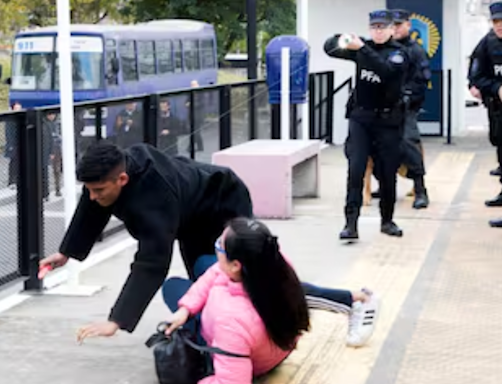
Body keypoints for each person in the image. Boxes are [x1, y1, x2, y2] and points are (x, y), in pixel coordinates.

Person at [39, 142, 379, 346]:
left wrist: (117, 320)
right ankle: (213, 340)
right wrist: (68, 252)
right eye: (90, 189)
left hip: (224, 204)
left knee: (253, 283)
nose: (93, 197)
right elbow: (92, 205)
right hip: (192, 220)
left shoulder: (153, 197)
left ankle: (355, 301)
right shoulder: (112, 172)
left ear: (122, 179)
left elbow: (151, 262)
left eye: (100, 190)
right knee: (207, 288)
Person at [162, 218, 378, 383]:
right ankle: (356, 299)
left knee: (172, 286)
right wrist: (186, 308)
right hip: (275, 346)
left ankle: (355, 301)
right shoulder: (272, 260)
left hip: (247, 356)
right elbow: (216, 270)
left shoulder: (230, 319)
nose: (216, 245)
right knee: (203, 263)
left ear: (236, 266)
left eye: (220, 245)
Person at [324, 10, 409, 240]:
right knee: (356, 170)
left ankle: (387, 220)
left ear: (392, 29)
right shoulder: (363, 48)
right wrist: (343, 39)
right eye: (374, 27)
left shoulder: (399, 53)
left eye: (383, 27)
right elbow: (329, 47)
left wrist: (361, 48)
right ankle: (350, 223)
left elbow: (386, 70)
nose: (378, 32)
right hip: (361, 118)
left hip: (388, 121)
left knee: (387, 172)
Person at [370, 8, 430, 210]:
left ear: (408, 25)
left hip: (405, 109)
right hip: (381, 108)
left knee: (408, 145)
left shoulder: (415, 50)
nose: (395, 29)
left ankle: (420, 190)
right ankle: (383, 184)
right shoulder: (383, 49)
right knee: (377, 147)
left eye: (398, 25)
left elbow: (421, 82)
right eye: (391, 25)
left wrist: (404, 98)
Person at [468, 2, 502, 227]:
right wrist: (494, 88)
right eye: (496, 22)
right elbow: (477, 73)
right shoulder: (488, 43)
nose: (499, 26)